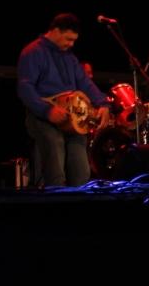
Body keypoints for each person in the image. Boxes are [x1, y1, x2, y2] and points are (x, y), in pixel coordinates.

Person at [17, 13, 112, 187]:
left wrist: (102, 103)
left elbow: (85, 83)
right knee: (54, 145)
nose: (71, 44)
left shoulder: (69, 57)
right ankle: (56, 199)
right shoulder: (33, 52)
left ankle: (81, 195)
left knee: (81, 166)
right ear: (54, 31)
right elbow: (25, 88)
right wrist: (47, 111)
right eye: (68, 39)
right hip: (42, 117)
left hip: (70, 118)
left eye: (74, 40)